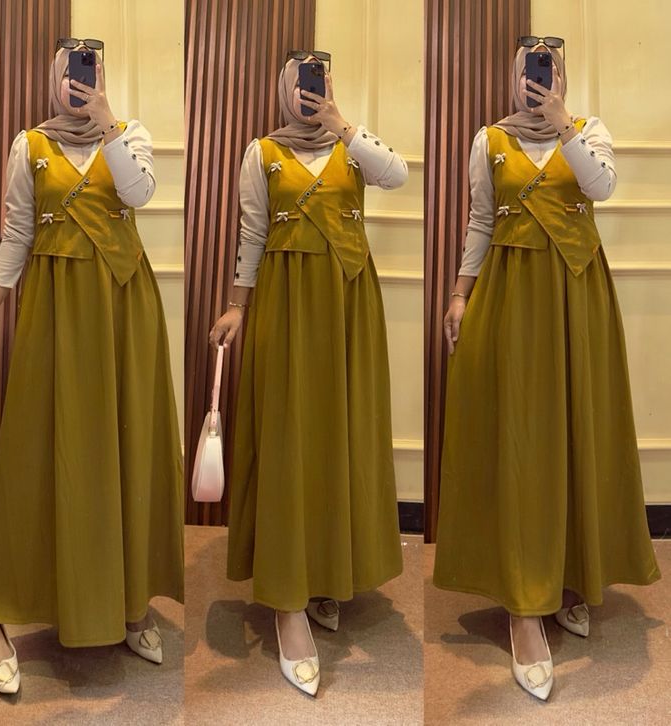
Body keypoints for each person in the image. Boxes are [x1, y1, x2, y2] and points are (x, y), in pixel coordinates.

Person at [0, 40, 184, 694]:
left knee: (128, 450)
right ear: (53, 78)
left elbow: (139, 193)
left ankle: (129, 599)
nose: (78, 82)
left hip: (124, 308)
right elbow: (17, 231)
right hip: (54, 311)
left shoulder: (130, 133)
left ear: (102, 77)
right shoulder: (29, 145)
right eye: (69, 71)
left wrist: (108, 122)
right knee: (37, 452)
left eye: (90, 71)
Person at [432, 37, 660, 700]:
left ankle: (569, 576)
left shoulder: (588, 129)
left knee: (575, 433)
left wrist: (564, 125)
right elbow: (480, 220)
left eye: (548, 71)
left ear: (561, 78)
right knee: (522, 442)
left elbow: (602, 187)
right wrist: (460, 294)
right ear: (514, 77)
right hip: (510, 297)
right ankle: (523, 605)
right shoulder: (489, 140)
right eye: (528, 70)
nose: (536, 81)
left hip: (577, 295)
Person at [209, 51, 407, 695]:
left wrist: (344, 125)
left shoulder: (353, 145)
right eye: (300, 84)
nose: (309, 94)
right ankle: (288, 601)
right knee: (291, 440)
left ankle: (324, 573)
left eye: (317, 82)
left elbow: (398, 175)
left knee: (337, 440)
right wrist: (237, 306)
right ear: (283, 89)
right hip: (287, 306)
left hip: (349, 307)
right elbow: (252, 233)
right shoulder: (261, 152)